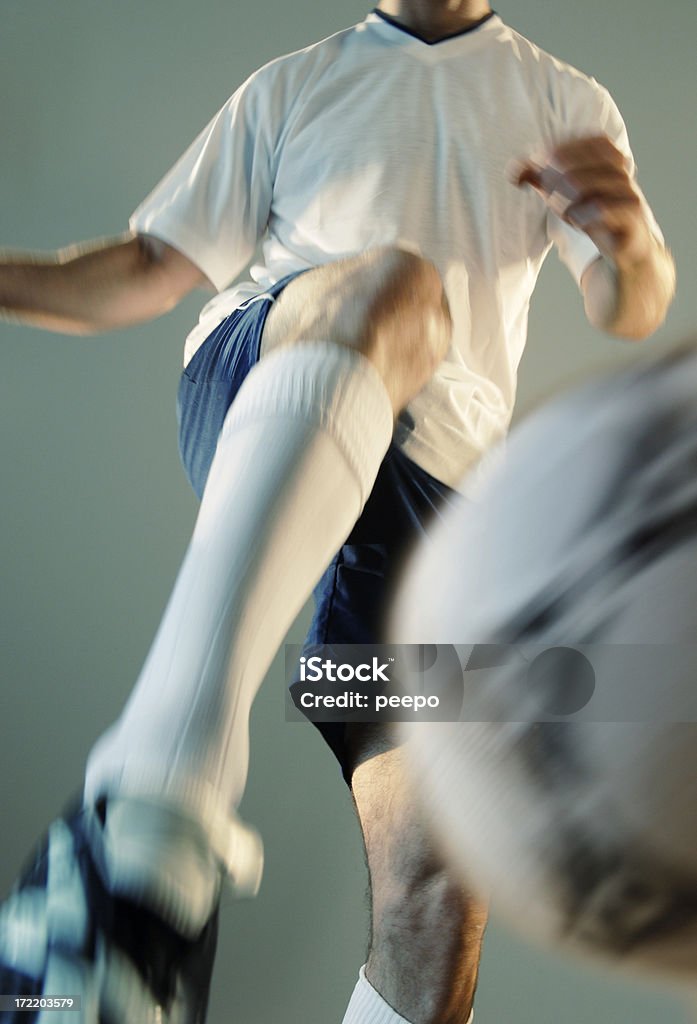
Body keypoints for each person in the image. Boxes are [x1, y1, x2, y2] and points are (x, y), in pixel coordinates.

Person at [0, 1, 675, 1022]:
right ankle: (137, 833)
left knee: (439, 897)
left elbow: (630, 302)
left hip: (433, 515)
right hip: (277, 379)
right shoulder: (293, 85)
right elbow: (141, 271)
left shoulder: (562, 98)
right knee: (393, 289)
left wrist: (626, 240)